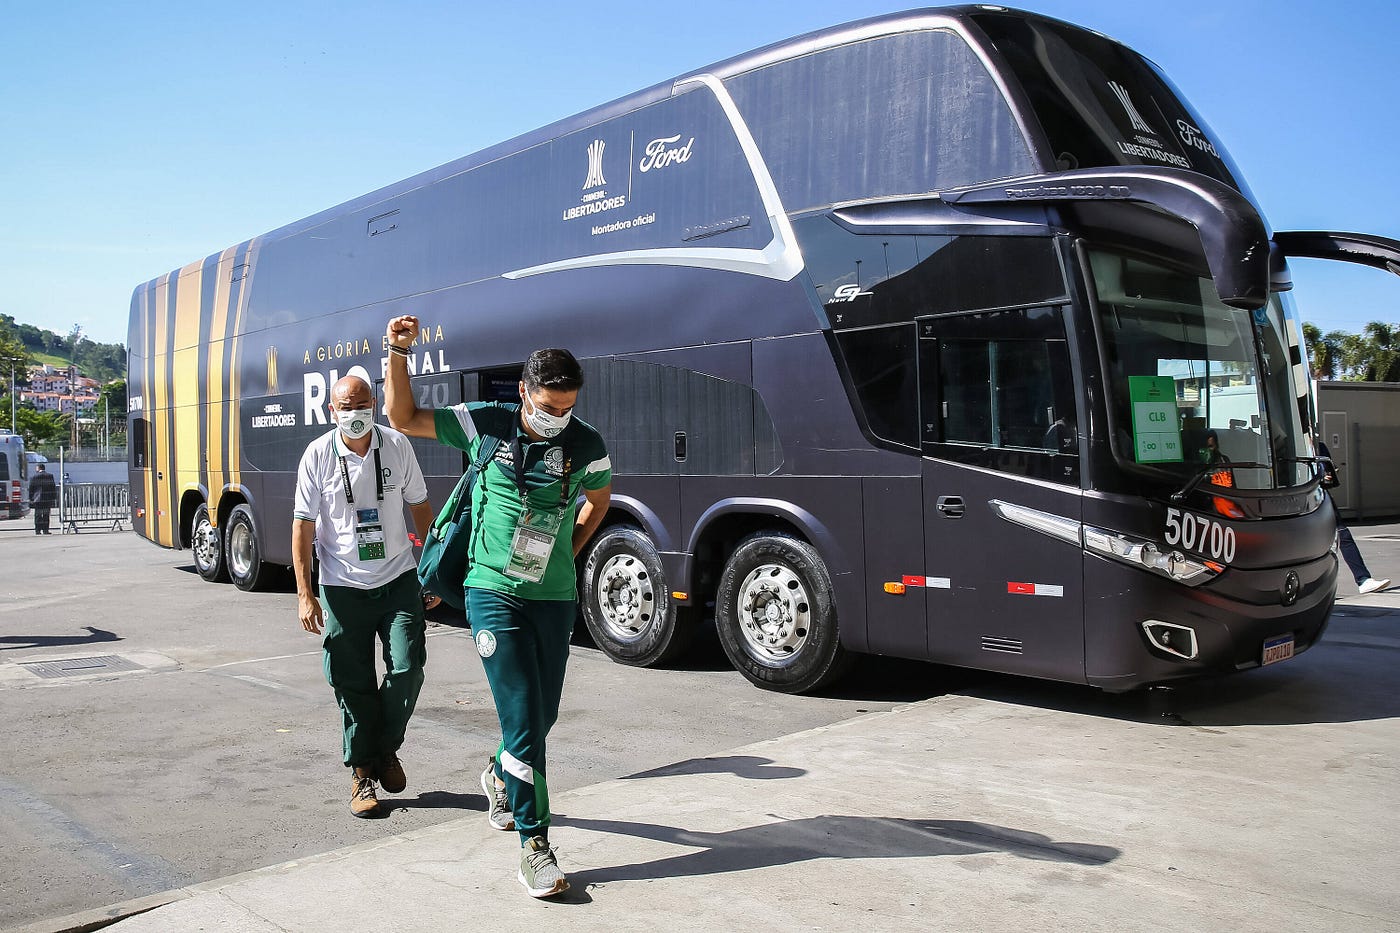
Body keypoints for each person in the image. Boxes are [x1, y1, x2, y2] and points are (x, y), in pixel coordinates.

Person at [383, 314, 611, 899]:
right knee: (524, 716)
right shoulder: (486, 423)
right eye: (547, 404)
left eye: (566, 407)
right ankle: (535, 845)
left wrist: (570, 550)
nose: (556, 416)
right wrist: (397, 354)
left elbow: (599, 498)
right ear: (524, 392)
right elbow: (402, 417)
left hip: (554, 596)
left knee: (542, 714)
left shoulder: (585, 443)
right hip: (491, 592)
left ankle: (498, 773)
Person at [292, 374, 438, 818]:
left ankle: (384, 749)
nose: (354, 414)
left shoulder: (396, 445)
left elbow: (420, 506)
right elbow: (301, 525)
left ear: (373, 404)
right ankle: (362, 774)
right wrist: (304, 593)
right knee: (350, 681)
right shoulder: (317, 455)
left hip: (397, 579)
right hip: (341, 587)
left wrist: (428, 571)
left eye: (361, 405)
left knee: (408, 669)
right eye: (345, 406)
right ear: (331, 410)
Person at [1317, 439, 1390, 595]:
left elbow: (1330, 472)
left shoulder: (1319, 446)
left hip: (1321, 495)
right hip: (1299, 499)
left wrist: (1328, 476)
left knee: (1343, 534)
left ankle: (1363, 579)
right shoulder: (1292, 445)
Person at [29, 463, 56, 535]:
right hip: (47, 498)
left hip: (37, 499)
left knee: (38, 515)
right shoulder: (50, 476)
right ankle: (45, 530)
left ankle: (37, 530)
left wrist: (31, 498)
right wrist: (53, 497)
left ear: (38, 468)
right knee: (46, 515)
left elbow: (31, 488)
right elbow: (53, 487)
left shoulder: (34, 477)